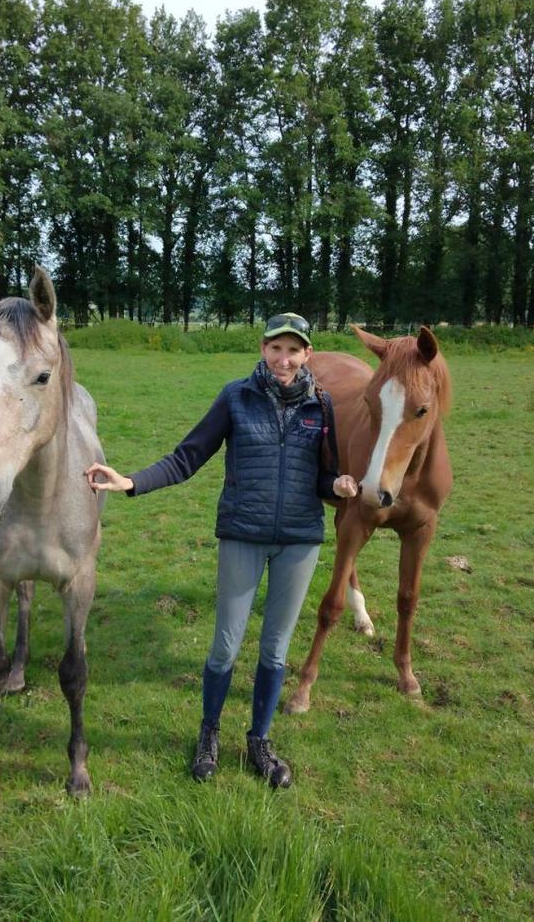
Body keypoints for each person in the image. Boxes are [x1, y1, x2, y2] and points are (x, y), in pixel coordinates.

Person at [84, 313, 357, 788]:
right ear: (262, 349)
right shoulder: (236, 397)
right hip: (242, 535)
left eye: (294, 350)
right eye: (276, 348)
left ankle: (260, 741)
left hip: (299, 541)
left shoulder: (321, 406)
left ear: (307, 354)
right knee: (225, 646)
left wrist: (337, 483)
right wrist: (130, 482)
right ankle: (209, 734)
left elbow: (321, 477)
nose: (284, 359)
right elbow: (188, 457)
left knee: (275, 650)